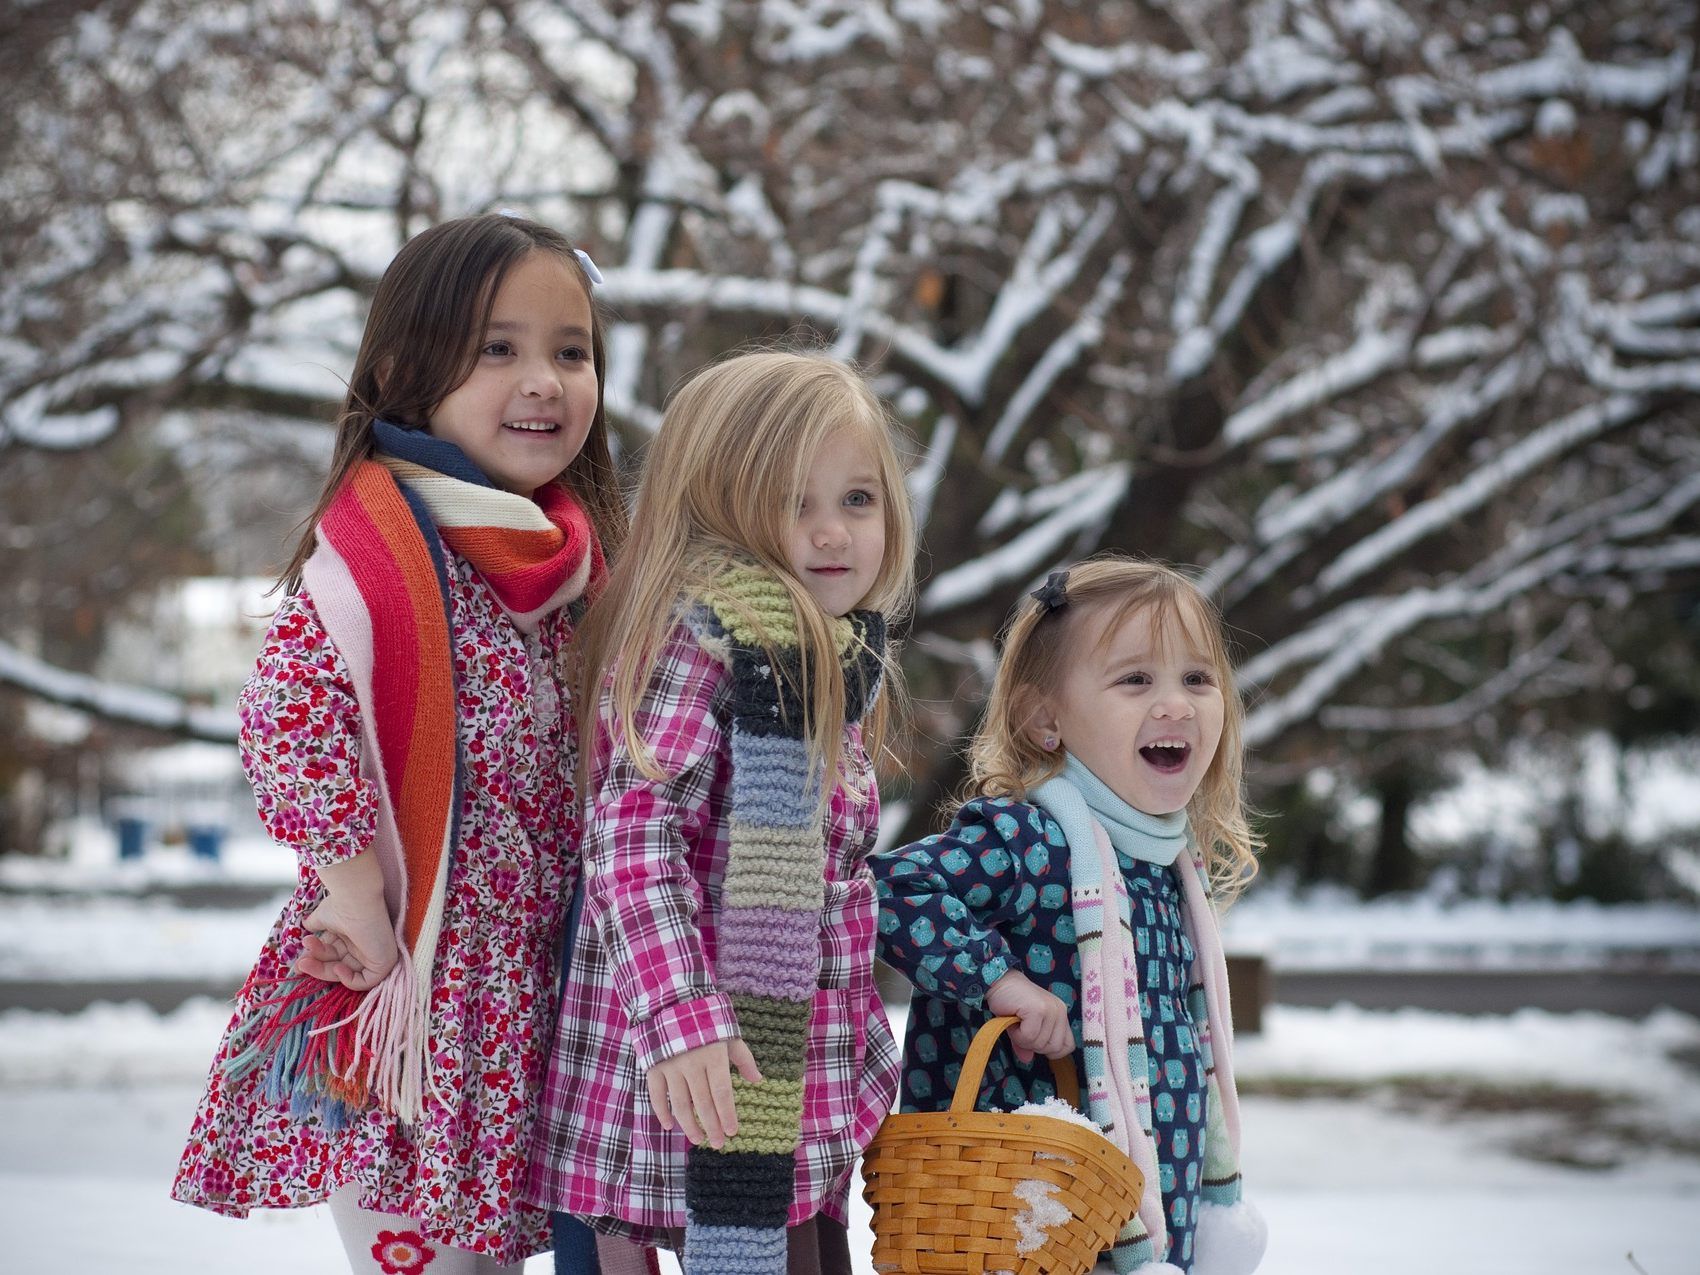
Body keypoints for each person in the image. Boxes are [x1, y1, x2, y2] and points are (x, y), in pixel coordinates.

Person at [171, 212, 626, 1273]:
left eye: (571, 351)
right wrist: (349, 891)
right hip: (410, 992)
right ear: (406, 371)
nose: (544, 382)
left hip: (537, 991)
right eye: (497, 348)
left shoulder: (578, 572)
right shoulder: (376, 559)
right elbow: (289, 716)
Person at [524, 350, 917, 1275]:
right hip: (686, 1083)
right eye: (794, 503)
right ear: (721, 506)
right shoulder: (705, 642)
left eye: (857, 500)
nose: (832, 532)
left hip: (784, 1084)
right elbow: (632, 838)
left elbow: (828, 880)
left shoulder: (826, 658)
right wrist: (683, 1015)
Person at [871, 557, 1267, 1275]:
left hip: (1154, 1213)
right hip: (1025, 1220)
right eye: (1136, 679)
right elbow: (895, 888)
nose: (1176, 704)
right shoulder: (1029, 840)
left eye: (1198, 679)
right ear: (1044, 717)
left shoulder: (1168, 868)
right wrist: (1000, 980)